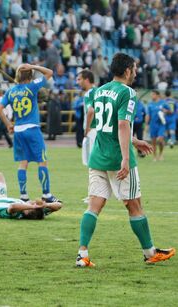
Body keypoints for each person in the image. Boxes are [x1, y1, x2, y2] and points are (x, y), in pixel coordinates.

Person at [75, 53, 175, 267]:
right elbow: (121, 124)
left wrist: (135, 140)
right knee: (134, 204)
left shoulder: (99, 90)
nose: (136, 72)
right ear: (128, 70)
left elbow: (104, 123)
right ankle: (150, 253)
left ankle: (82, 254)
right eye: (135, 69)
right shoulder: (128, 93)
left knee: (94, 206)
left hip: (98, 157)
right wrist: (126, 159)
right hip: (117, 158)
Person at [0, 63, 61, 203]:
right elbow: (49, 72)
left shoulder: (11, 91)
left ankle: (24, 196)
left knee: (23, 163)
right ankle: (46, 194)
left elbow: (0, 109)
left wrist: (8, 124)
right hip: (32, 128)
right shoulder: (32, 86)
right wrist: (33, 65)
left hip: (18, 130)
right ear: (30, 75)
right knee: (42, 161)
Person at [76, 70, 97, 166]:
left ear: (87, 80)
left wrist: (87, 128)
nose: (78, 82)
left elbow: (91, 111)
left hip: (92, 130)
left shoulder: (89, 93)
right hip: (101, 131)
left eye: (79, 79)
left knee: (91, 165)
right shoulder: (99, 91)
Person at [145, 90, 170, 161]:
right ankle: (155, 156)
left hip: (161, 124)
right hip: (153, 124)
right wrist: (147, 125)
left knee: (160, 139)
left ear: (157, 95)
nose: (152, 96)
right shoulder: (150, 104)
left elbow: (170, 111)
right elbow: (148, 115)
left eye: (153, 94)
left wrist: (165, 111)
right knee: (153, 142)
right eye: (151, 95)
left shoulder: (163, 103)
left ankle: (161, 153)